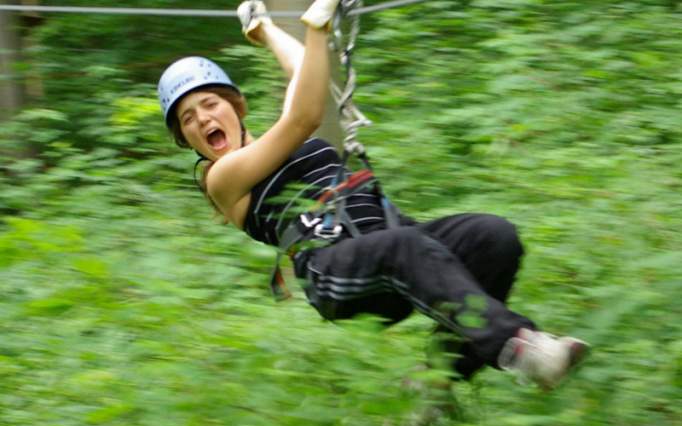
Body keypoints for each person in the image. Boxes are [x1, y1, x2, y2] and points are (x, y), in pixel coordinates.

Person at [157, 0, 588, 390]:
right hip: (335, 273)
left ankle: (439, 381)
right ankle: (522, 349)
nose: (202, 119)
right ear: (189, 141)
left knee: (493, 237)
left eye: (211, 104)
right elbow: (304, 116)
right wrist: (317, 23)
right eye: (188, 119)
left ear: (236, 106)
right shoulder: (223, 179)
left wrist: (266, 28)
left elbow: (304, 72)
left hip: (393, 243)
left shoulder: (279, 140)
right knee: (404, 246)